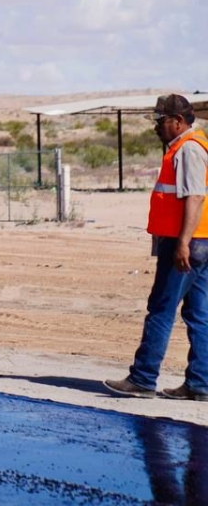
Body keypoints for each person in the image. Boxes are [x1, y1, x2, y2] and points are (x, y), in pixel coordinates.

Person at [105, 94, 208, 401]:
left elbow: (195, 197)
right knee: (199, 314)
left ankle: (143, 378)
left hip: (188, 243)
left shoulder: (188, 150)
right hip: (200, 241)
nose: (157, 128)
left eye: (161, 121)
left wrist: (182, 243)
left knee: (161, 309)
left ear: (178, 121)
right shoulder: (189, 147)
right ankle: (200, 384)